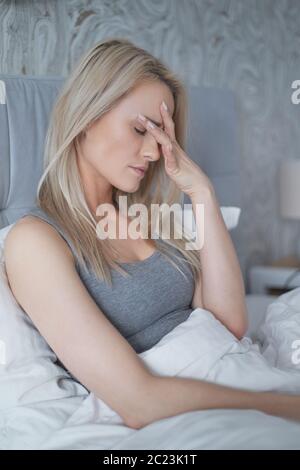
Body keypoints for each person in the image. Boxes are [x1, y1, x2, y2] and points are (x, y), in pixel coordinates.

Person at [4, 38, 300, 430]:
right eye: (141, 129)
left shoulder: (152, 216)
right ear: (87, 116)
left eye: (161, 135)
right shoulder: (36, 241)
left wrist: (202, 193)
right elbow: (139, 401)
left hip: (237, 370)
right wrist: (281, 406)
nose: (153, 152)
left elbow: (228, 323)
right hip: (193, 405)